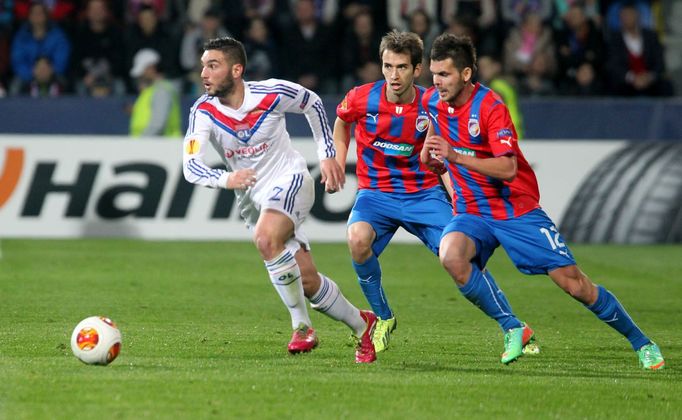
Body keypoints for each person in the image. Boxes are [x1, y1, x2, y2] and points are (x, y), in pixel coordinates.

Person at [420, 33, 665, 370]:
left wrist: (456, 157)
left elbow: (507, 168)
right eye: (434, 74)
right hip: (473, 210)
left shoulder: (490, 107)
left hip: (514, 208)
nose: (437, 81)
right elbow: (434, 135)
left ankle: (642, 342)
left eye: (445, 74)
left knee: (573, 284)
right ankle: (513, 328)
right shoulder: (432, 102)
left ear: (465, 74)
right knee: (451, 255)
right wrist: (429, 154)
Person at [332, 30, 536, 360]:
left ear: (417, 70)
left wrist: (457, 195)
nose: (392, 75)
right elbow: (342, 121)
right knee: (356, 239)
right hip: (376, 194)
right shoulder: (361, 97)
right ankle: (383, 318)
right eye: (387, 66)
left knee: (458, 258)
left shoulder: (433, 104)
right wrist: (337, 161)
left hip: (424, 195)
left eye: (401, 67)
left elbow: (448, 151)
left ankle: (513, 326)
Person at [182, 36, 377, 363]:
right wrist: (227, 178)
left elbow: (312, 102)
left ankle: (302, 327)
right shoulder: (203, 112)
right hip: (252, 198)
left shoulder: (271, 93)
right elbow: (191, 165)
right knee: (307, 280)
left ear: (236, 69)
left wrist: (327, 155)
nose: (204, 72)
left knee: (265, 237)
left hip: (290, 180)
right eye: (203, 65)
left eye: (212, 65)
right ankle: (362, 325)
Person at [129, 48, 182, 137]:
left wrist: (138, 144)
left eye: (142, 72)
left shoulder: (161, 91)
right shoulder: (151, 91)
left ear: (151, 68)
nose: (140, 77)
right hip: (152, 146)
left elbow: (158, 125)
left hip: (161, 147)